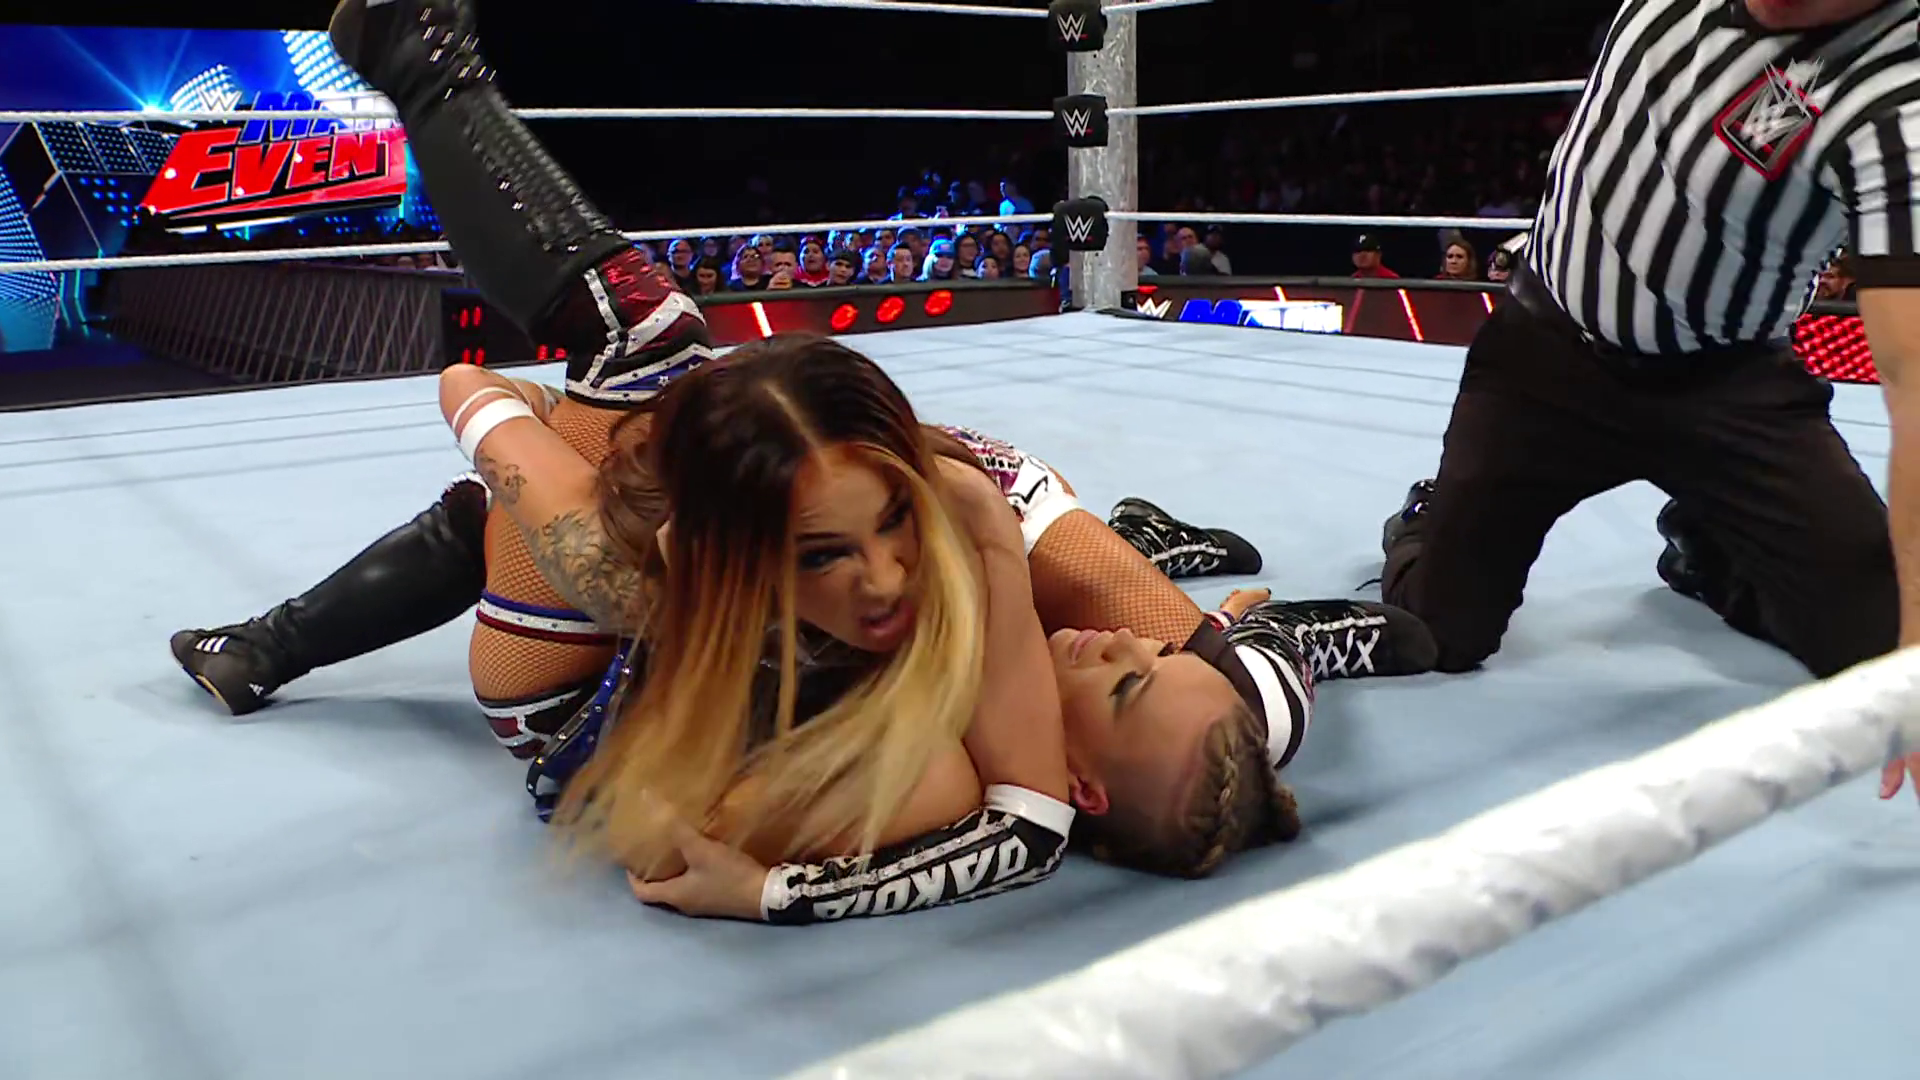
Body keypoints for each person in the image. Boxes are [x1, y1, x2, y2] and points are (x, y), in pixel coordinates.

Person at [175, 0, 1441, 924]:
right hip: (811, 559)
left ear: (1080, 782)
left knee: (617, 382)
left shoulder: (932, 770)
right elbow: (1153, 706)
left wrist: (506, 412)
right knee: (1120, 595)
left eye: (1123, 686)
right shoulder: (1160, 709)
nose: (1124, 653)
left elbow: (483, 413)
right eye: (1147, 666)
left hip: (596, 666)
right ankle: (276, 639)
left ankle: (424, 61)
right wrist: (1254, 635)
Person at [1378, 0, 1920, 799]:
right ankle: (1429, 518)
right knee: (1439, 631)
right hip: (1545, 351)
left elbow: (1913, 384)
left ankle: (1710, 551)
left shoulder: (1898, 96)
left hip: (1733, 389)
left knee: (1887, 651)